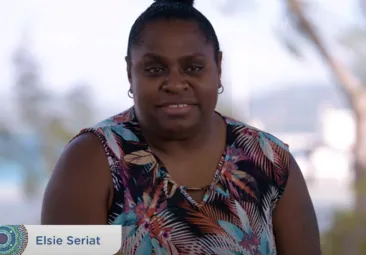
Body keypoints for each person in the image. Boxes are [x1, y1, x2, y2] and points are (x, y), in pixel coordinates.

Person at [41, 0, 321, 254]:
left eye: (193, 68)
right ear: (130, 72)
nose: (174, 84)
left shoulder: (268, 160)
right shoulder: (91, 160)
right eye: (154, 69)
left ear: (218, 68)